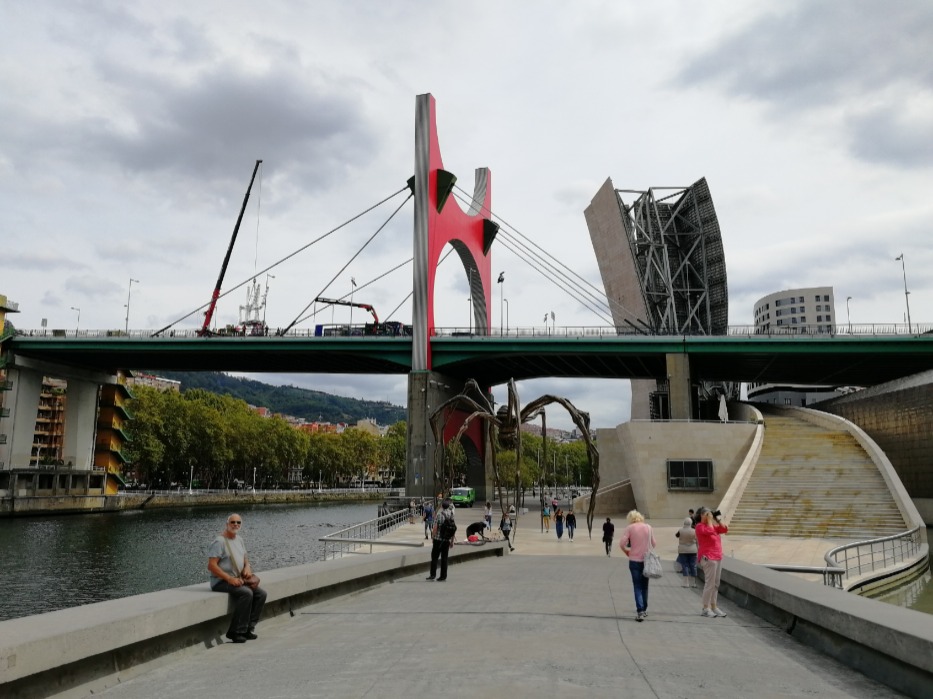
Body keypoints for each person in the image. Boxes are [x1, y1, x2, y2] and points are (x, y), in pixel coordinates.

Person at [207, 513, 267, 643]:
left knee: (261, 594)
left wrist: (247, 567)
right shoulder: (219, 541)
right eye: (233, 522)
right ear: (227, 524)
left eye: (238, 522)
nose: (235, 524)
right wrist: (229, 579)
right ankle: (235, 632)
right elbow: (211, 566)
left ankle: (248, 629)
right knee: (246, 593)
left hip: (238, 579)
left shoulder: (239, 539)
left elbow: (245, 558)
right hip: (221, 581)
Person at [619, 509, 657, 621]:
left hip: (634, 560)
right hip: (646, 561)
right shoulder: (648, 527)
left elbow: (622, 543)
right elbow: (654, 543)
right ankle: (644, 609)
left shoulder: (630, 528)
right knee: (645, 586)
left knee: (637, 586)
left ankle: (639, 611)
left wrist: (626, 551)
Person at [695, 506, 729, 618]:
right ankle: (705, 608)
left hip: (718, 557)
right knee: (709, 583)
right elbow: (709, 531)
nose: (709, 516)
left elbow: (724, 529)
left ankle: (714, 606)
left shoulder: (713, 526)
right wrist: (709, 521)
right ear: (702, 515)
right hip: (708, 558)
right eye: (707, 514)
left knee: (716, 583)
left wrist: (717, 519)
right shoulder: (700, 527)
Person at [427, 498, 455, 581]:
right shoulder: (451, 516)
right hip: (446, 540)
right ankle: (443, 576)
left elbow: (435, 528)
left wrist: (433, 537)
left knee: (434, 557)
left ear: (442, 507)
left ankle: (433, 575)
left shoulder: (439, 515)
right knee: (444, 558)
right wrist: (452, 541)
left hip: (438, 540)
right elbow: (453, 529)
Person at [675, 517, 698, 587]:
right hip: (693, 550)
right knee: (693, 565)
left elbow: (676, 535)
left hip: (683, 551)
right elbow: (697, 538)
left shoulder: (680, 530)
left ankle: (686, 582)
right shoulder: (694, 531)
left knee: (685, 565)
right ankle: (693, 583)